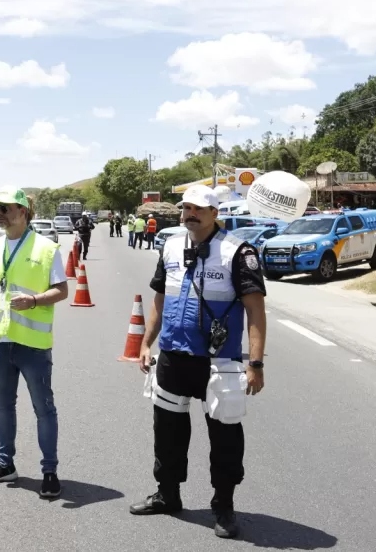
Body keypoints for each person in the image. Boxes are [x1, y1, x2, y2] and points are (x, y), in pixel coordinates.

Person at [129, 184, 267, 539]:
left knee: (224, 435)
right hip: (174, 355)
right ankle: (168, 493)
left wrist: (255, 363)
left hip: (219, 361)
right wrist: (147, 343)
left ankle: (223, 504)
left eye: (198, 210)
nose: (190, 215)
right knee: (168, 431)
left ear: (214, 213)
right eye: (185, 209)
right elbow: (160, 297)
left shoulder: (239, 251)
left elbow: (255, 310)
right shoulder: (172, 245)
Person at [0, 187, 70, 498]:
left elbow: (62, 290)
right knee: (3, 408)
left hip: (33, 346)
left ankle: (50, 470)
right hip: (1, 342)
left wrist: (35, 300)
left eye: (6, 208)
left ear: (23, 212)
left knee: (44, 409)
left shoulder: (46, 248)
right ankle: (5, 464)